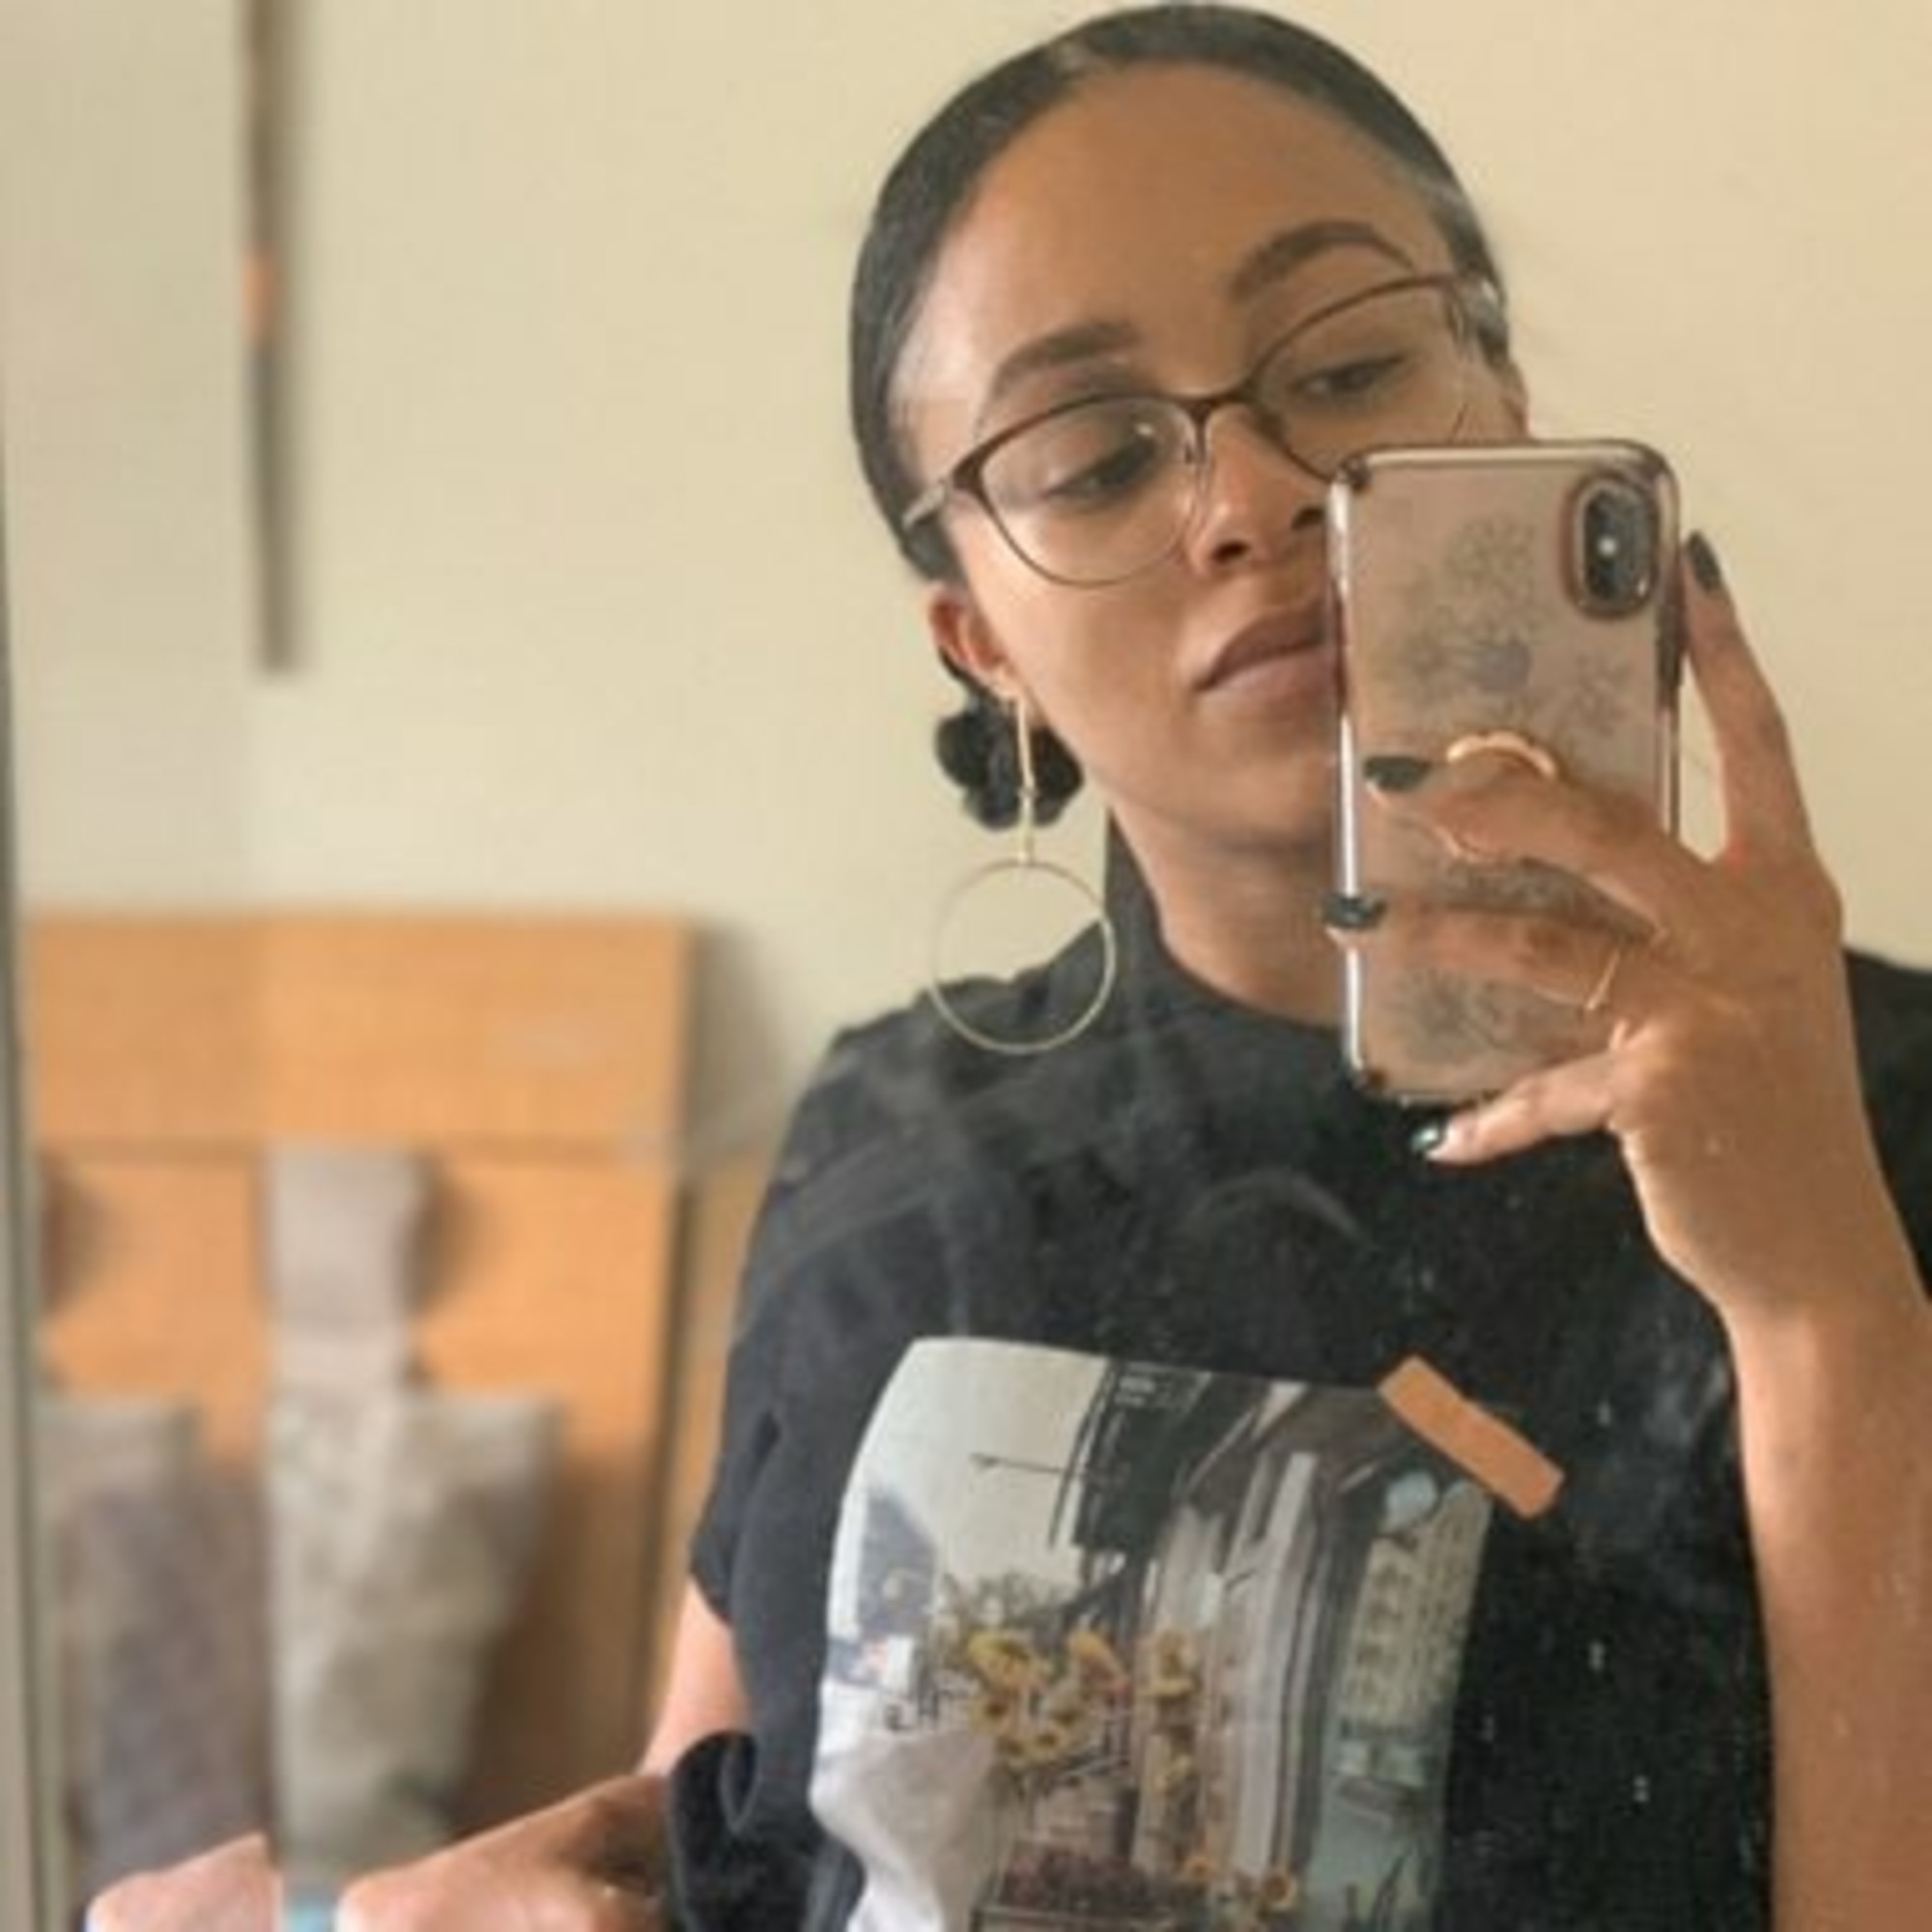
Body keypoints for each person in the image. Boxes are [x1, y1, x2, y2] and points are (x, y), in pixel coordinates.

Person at [99, 7, 1932, 1930]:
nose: (1251, 498)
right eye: (1093, 456)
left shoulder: (1883, 1114)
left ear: (1505, 397)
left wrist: (1824, 1308)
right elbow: (739, 1812)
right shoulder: (885, 1145)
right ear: (979, 641)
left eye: (1349, 365)